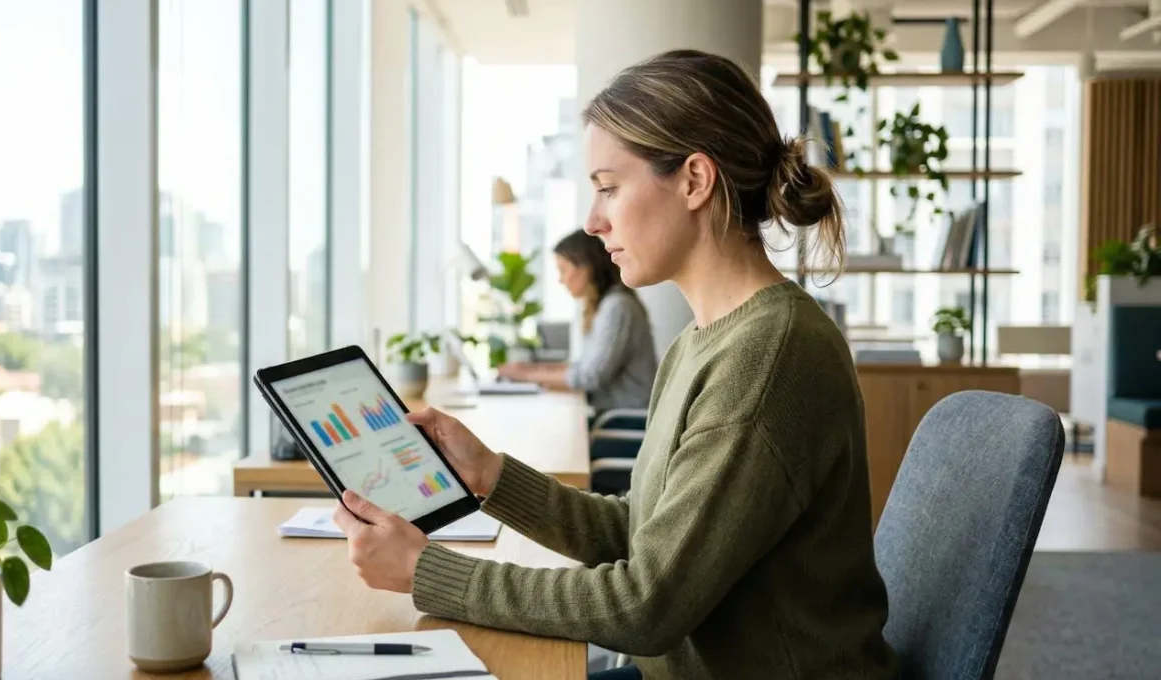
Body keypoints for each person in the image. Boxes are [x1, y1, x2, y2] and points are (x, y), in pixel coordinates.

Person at [331, 48, 899, 680]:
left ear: (694, 180)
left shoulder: (768, 356)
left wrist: (426, 572)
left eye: (608, 188)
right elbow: (644, 534)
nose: (592, 221)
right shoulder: (702, 339)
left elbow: (644, 607)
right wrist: (490, 475)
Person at [497, 229, 657, 414]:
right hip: (610, 418)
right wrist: (531, 370)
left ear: (586, 267)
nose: (560, 279)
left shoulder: (617, 307)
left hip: (622, 423)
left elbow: (589, 377)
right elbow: (582, 367)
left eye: (563, 270)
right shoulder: (605, 306)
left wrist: (525, 375)